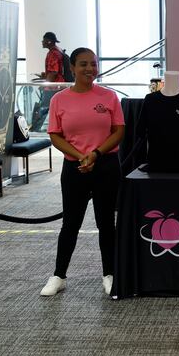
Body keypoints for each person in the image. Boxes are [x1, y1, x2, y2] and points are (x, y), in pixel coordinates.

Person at [40, 47, 125, 297]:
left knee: (106, 223)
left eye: (93, 64)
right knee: (71, 224)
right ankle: (59, 275)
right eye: (84, 64)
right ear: (73, 68)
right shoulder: (59, 99)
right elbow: (55, 135)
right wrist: (81, 156)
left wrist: (95, 154)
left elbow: (118, 131)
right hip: (74, 167)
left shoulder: (109, 97)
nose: (90, 69)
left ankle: (110, 273)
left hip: (106, 166)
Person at [30, 32, 66, 132]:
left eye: (44, 40)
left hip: (53, 86)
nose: (42, 42)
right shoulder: (58, 50)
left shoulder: (53, 53)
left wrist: (46, 85)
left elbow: (54, 72)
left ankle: (34, 130)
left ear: (49, 41)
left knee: (43, 108)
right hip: (59, 85)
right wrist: (45, 75)